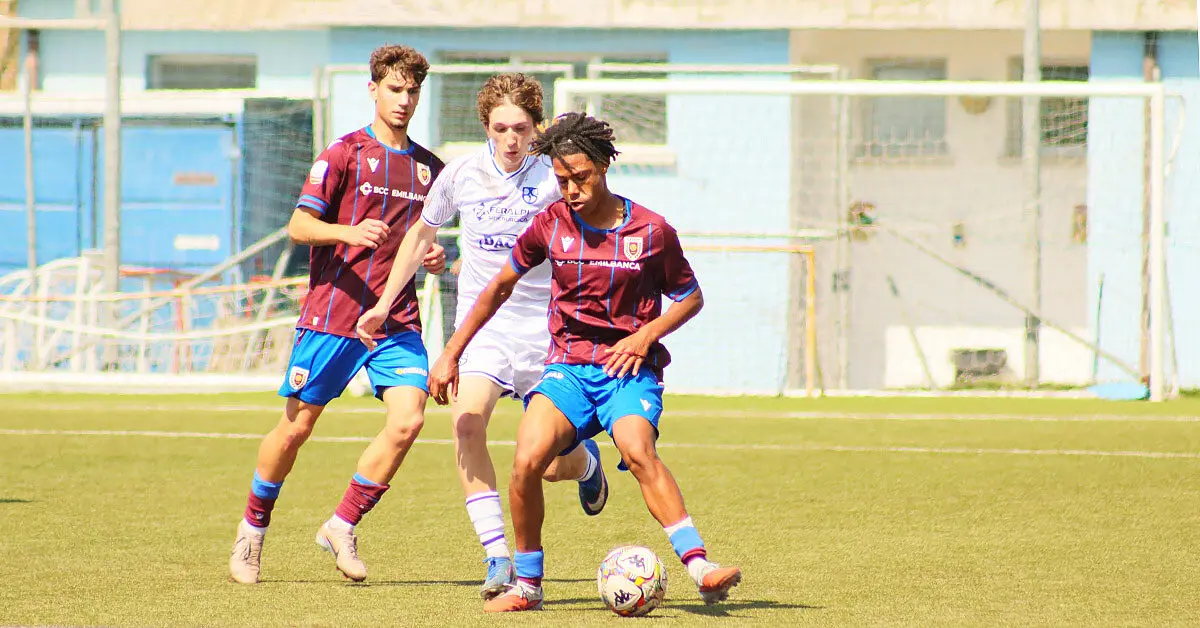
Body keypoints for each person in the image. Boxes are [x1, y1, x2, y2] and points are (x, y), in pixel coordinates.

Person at [426, 112, 742, 612]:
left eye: (580, 177)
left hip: (626, 372)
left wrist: (645, 335)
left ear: (602, 165)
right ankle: (527, 586)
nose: (570, 189)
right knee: (528, 461)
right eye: (561, 180)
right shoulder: (549, 225)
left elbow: (689, 297)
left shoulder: (652, 231)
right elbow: (498, 288)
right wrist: (450, 352)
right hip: (570, 369)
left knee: (638, 451)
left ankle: (700, 567)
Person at [355, 73, 608, 600]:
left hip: (548, 329)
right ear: (486, 128)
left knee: (543, 460)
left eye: (520, 127)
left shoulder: (554, 176)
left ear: (537, 128)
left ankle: (586, 464)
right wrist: (381, 305)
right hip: (482, 327)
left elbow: (598, 226)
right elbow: (420, 235)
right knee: (466, 422)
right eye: (500, 128)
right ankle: (497, 559)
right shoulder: (462, 175)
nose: (511, 138)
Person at [228, 44, 447, 585]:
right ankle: (252, 533)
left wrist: (439, 257)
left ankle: (342, 524)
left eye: (412, 90)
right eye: (394, 89)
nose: (403, 100)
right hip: (334, 316)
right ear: (373, 89)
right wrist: (346, 232)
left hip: (395, 320)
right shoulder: (344, 152)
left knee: (409, 419)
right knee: (296, 428)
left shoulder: (431, 169)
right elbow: (298, 227)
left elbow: (424, 241)